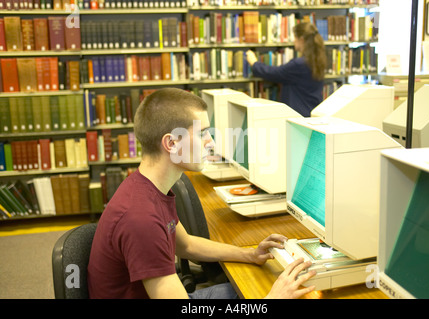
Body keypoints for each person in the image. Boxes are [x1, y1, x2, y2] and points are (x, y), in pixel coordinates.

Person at [87, 88, 316, 299]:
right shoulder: (141, 218)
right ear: (171, 143)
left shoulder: (148, 187)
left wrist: (249, 254)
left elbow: (186, 245)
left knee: (256, 287)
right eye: (203, 133)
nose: (211, 142)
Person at [246, 22, 327, 117]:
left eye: (295, 38)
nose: (293, 41)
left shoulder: (299, 64)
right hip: (310, 112)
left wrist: (254, 63)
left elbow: (275, 73)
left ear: (301, 40)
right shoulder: (318, 60)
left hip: (298, 116)